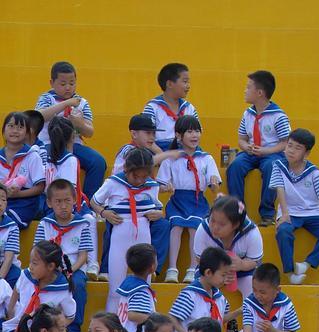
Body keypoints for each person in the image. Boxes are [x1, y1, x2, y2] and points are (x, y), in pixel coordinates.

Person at [90, 148, 165, 311]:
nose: (139, 181)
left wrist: (158, 214)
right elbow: (94, 201)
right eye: (135, 176)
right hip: (120, 235)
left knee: (145, 284)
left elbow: (159, 207)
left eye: (144, 177)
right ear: (126, 169)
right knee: (116, 286)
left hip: (144, 237)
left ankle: (146, 318)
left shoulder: (152, 186)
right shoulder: (113, 183)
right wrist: (104, 213)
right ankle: (112, 321)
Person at [157, 115, 221, 283]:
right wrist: (166, 188)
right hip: (177, 200)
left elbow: (214, 187)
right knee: (175, 226)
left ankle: (193, 268)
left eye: (197, 131)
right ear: (179, 135)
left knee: (195, 227)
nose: (195, 135)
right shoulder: (171, 158)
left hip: (197, 201)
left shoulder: (206, 158)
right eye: (190, 131)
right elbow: (160, 186)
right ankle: (172, 268)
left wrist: (214, 183)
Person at [272, 128, 319, 284]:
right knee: (283, 231)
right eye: (290, 145)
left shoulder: (313, 171)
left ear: (306, 153)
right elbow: (280, 189)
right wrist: (285, 214)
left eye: (298, 148)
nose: (291, 150)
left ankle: (306, 264)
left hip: (312, 212)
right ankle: (290, 273)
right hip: (290, 212)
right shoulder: (278, 166)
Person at [34, 61, 106, 199]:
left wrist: (79, 123)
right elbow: (40, 117)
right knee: (41, 161)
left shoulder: (82, 103)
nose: (68, 88)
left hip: (74, 145)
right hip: (48, 144)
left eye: (72, 83)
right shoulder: (46, 98)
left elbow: (90, 132)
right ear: (52, 83)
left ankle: (88, 201)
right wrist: (66, 104)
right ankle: (43, 202)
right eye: (63, 84)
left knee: (98, 162)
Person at [227, 70, 290, 226]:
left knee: (272, 167)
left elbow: (285, 143)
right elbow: (242, 139)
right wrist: (246, 147)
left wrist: (266, 151)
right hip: (251, 153)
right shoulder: (247, 114)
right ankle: (238, 211)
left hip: (272, 153)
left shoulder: (278, 116)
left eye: (248, 87)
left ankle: (267, 213)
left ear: (260, 93)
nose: (245, 91)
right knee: (235, 166)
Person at [2, 240, 76, 332]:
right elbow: (16, 291)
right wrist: (11, 313)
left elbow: (70, 315)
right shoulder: (26, 276)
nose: (30, 266)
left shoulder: (62, 288)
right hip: (19, 327)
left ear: (51, 266)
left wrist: (53, 329)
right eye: (30, 262)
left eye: (35, 263)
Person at [35, 179, 92, 332]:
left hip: (74, 267)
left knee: (78, 285)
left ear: (75, 200)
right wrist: (51, 269)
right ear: (49, 203)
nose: (63, 206)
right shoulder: (45, 224)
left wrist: (69, 270)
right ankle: (41, 330)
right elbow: (38, 252)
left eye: (67, 201)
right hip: (49, 268)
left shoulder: (82, 224)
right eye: (58, 202)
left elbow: (83, 255)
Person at [43, 118, 99, 278]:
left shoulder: (42, 153)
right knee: (89, 219)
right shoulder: (70, 159)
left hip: (48, 202)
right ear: (72, 136)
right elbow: (68, 192)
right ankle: (92, 263)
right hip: (63, 203)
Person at [193, 196, 263, 298]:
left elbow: (255, 261)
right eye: (212, 220)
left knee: (253, 283)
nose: (215, 227)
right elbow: (200, 259)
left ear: (235, 225)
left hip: (242, 272)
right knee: (200, 283)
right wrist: (219, 273)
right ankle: (204, 308)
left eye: (222, 224)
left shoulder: (251, 232)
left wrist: (242, 264)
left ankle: (250, 308)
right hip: (212, 270)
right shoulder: (203, 229)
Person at [169, 247, 233, 332]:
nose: (225, 279)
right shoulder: (190, 295)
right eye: (223, 275)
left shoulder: (220, 297)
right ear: (208, 272)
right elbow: (172, 318)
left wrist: (240, 311)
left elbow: (222, 318)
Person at [0, 111, 45, 229]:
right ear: (3, 130)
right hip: (2, 199)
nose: (15, 130)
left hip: (25, 202)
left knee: (6, 220)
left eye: (20, 127)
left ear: (27, 132)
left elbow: (40, 187)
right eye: (11, 126)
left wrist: (17, 194)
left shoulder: (32, 156)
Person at [143, 63, 199, 150]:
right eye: (185, 82)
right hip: (158, 151)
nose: (188, 86)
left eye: (188, 82)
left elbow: (196, 135)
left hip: (184, 151)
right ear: (169, 84)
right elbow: (145, 137)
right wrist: (163, 155)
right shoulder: (152, 108)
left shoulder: (189, 108)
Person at [116, 244, 158, 332]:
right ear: (152, 267)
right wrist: (156, 319)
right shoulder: (141, 290)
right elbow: (133, 315)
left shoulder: (129, 283)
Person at [113, 114, 182, 171]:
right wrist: (167, 154)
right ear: (134, 134)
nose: (152, 137)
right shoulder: (127, 149)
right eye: (148, 133)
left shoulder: (147, 152)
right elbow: (140, 163)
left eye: (153, 133)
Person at [0, 184, 21, 287]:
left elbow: (8, 259)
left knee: (17, 276)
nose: (0, 203)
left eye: (3, 200)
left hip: (7, 267)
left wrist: (0, 280)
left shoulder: (12, 227)